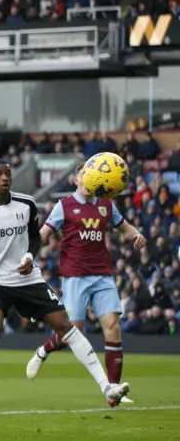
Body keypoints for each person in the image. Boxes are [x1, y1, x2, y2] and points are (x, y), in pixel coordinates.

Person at [0, 159, 131, 408]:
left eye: (8, 174)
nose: (5, 178)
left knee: (67, 327)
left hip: (27, 278)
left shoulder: (26, 204)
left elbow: (35, 239)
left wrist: (29, 256)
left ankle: (107, 388)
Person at [25, 162, 146, 406]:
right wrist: (28, 254)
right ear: (76, 179)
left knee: (112, 327)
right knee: (72, 333)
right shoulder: (64, 205)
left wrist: (136, 235)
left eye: (91, 173)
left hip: (102, 274)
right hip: (75, 276)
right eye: (84, 173)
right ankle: (43, 351)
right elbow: (45, 233)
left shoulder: (106, 204)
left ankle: (114, 392)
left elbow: (124, 228)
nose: (89, 177)